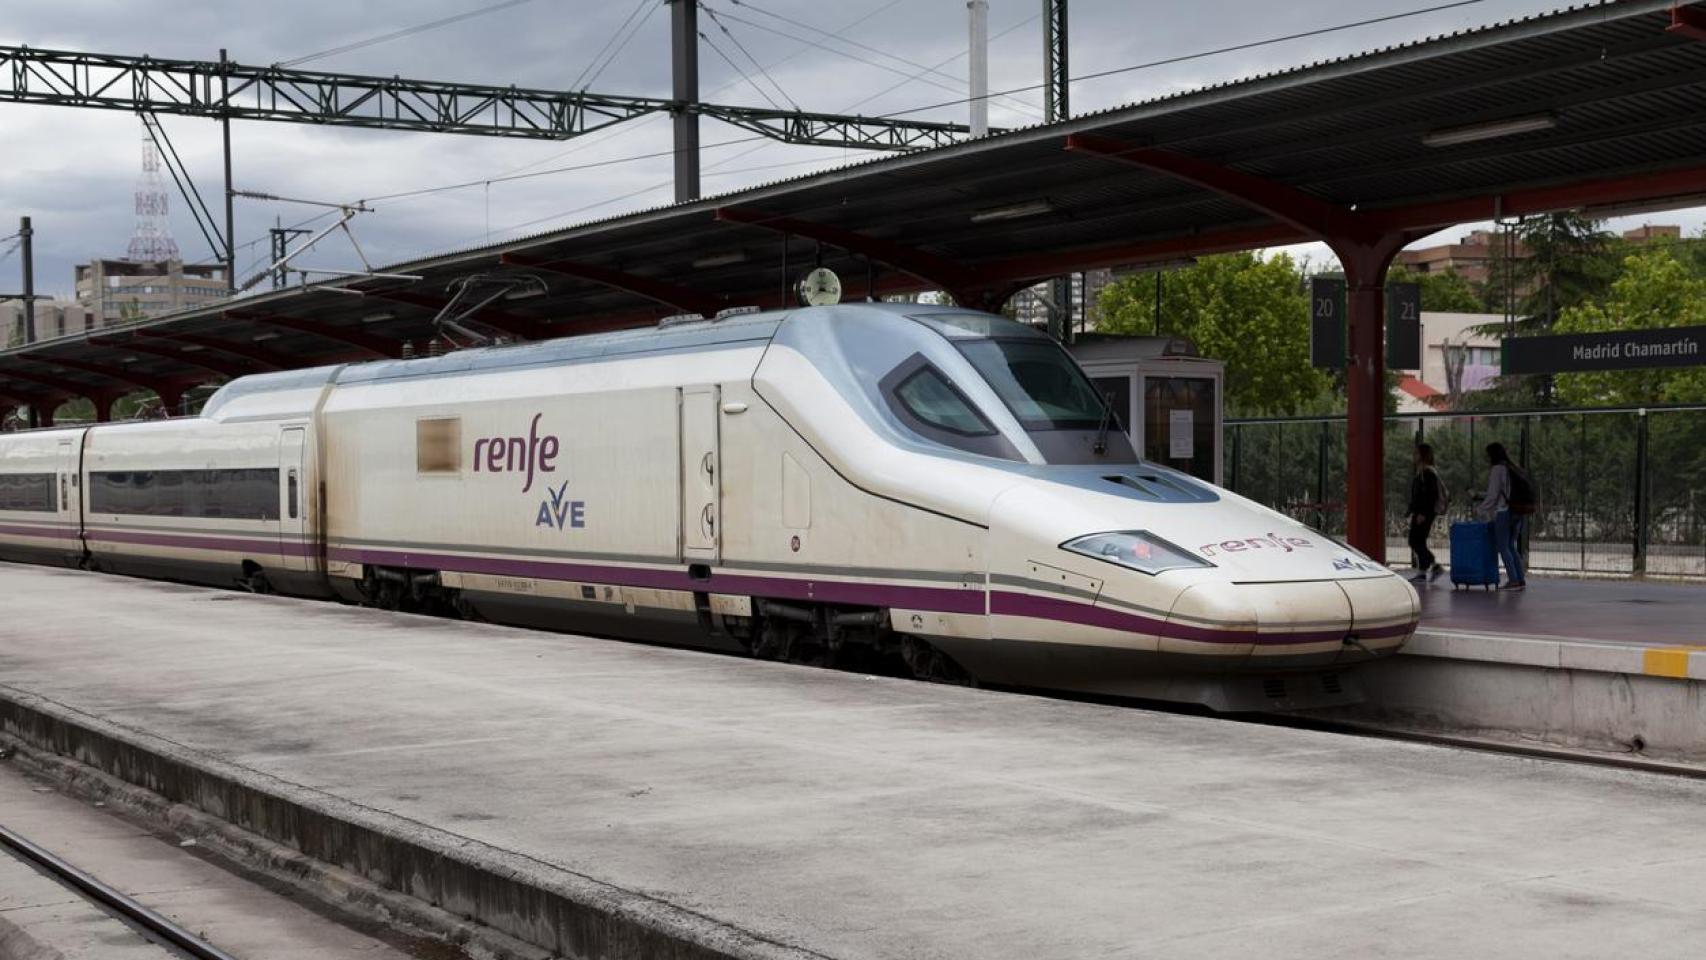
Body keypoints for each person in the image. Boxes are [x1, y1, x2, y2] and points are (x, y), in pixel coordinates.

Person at [1476, 442, 1526, 591]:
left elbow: (1493, 495)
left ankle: (1513, 580)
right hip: (1517, 511)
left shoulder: (1497, 469)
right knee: (1512, 546)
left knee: (1503, 547)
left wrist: (1480, 509)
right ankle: (1520, 579)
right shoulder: (1511, 467)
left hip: (1504, 512)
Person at [1406, 443, 1445, 582]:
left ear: (1423, 455)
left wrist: (1422, 513)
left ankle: (1434, 566)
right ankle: (1424, 572)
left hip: (1424, 513)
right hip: (1422, 512)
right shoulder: (1423, 471)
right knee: (1419, 541)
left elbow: (1430, 495)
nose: (1414, 456)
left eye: (1416, 453)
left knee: (1414, 540)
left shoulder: (1427, 473)